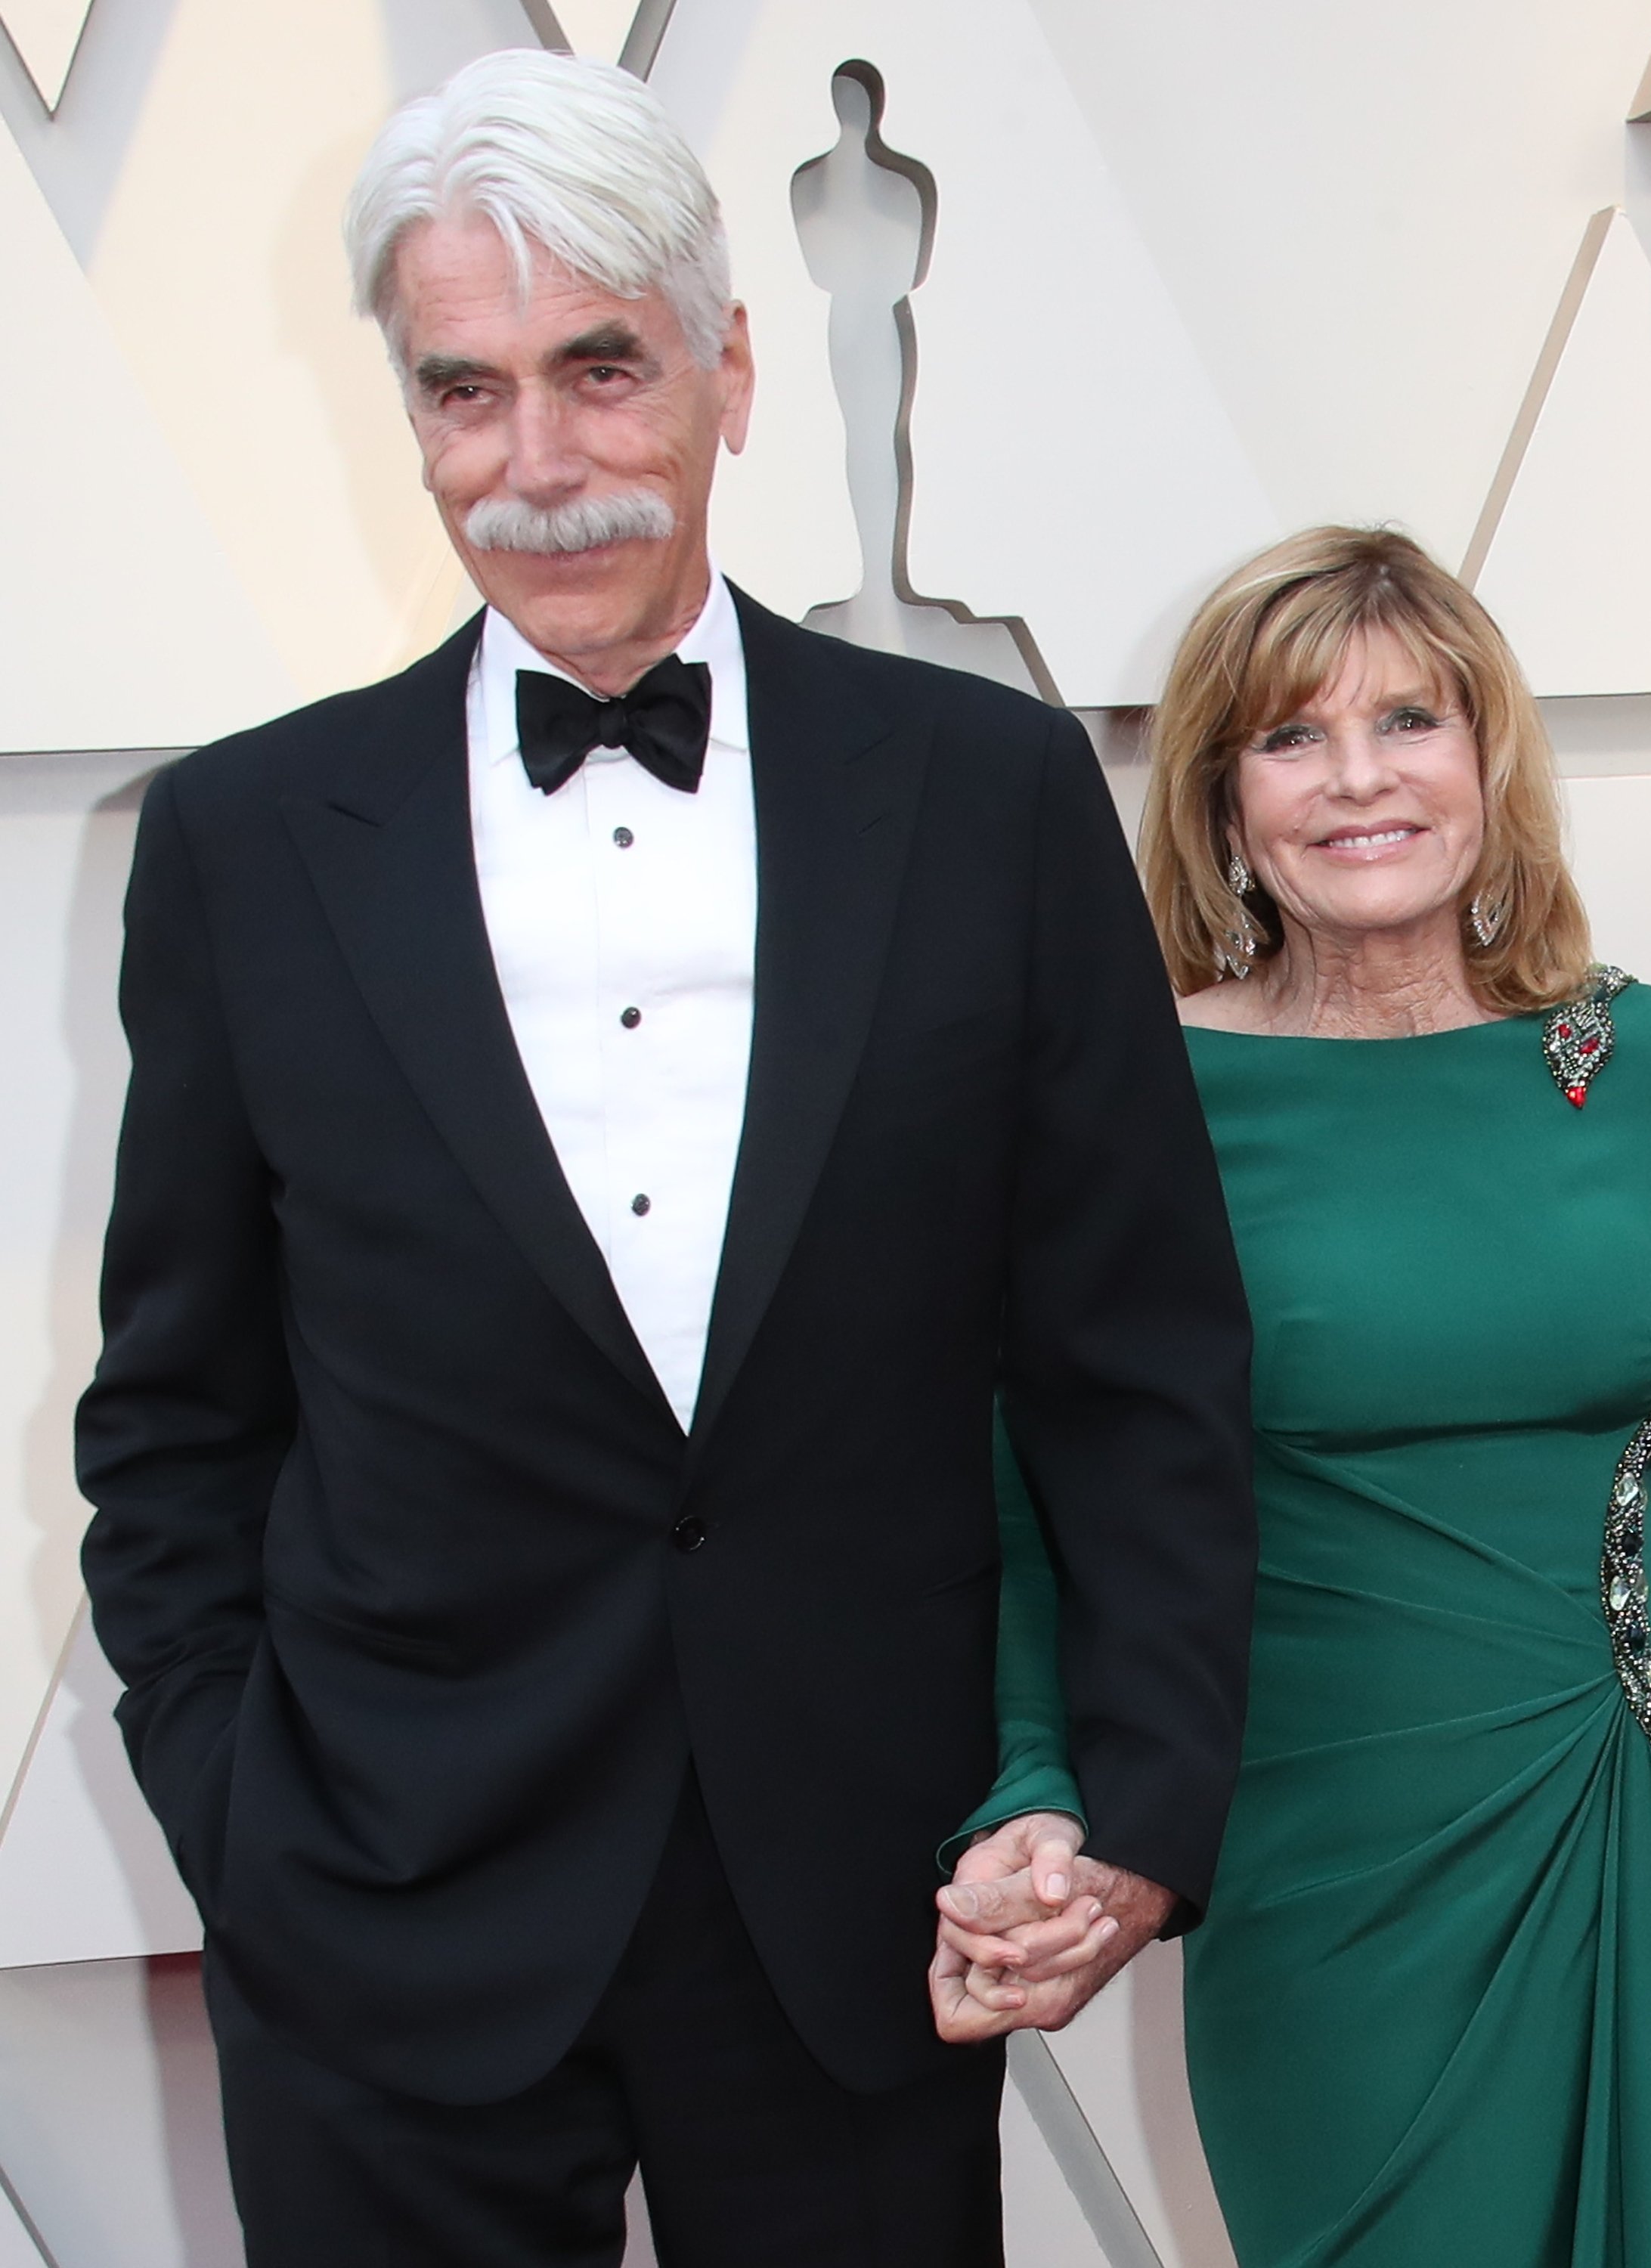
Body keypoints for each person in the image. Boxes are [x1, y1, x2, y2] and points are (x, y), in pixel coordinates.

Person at [73, 51, 1258, 2268]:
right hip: (382, 1923)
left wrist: (1138, 1804)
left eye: (601, 368)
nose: (538, 464)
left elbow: (1141, 1368)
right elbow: (180, 1421)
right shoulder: (240, 846)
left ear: (729, 370)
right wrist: (251, 1829)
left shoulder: (989, 803)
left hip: (853, 1920)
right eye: (466, 391)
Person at [934, 527, 1651, 2264]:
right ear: (1224, 802)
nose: (1359, 780)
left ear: (1485, 760)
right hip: (1323, 1911)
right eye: (1289, 738)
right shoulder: (1127, 1100)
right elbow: (1033, 1526)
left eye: (1407, 721)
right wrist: (1030, 1788)